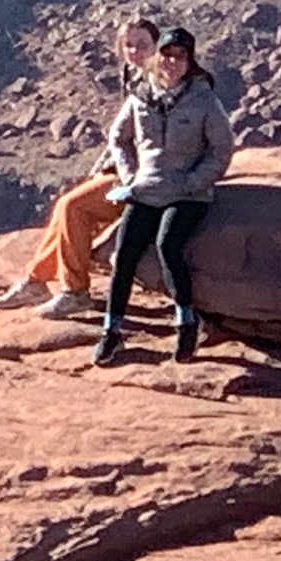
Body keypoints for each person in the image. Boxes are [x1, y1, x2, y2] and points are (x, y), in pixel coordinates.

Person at [0, 18, 161, 318]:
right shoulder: (133, 76)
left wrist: (129, 178)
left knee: (74, 208)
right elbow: (121, 138)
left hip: (144, 180)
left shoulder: (157, 86)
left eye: (143, 45)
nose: (135, 51)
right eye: (129, 45)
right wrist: (103, 170)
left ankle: (75, 292)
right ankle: (36, 281)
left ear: (157, 46)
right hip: (122, 170)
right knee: (64, 209)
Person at [98, 26, 232, 362]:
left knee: (167, 246)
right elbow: (118, 138)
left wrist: (195, 181)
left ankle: (186, 324)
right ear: (158, 56)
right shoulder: (141, 95)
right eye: (167, 55)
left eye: (180, 56)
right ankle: (111, 331)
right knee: (124, 253)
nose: (172, 62)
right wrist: (130, 177)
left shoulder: (204, 100)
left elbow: (222, 148)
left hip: (188, 194)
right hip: (146, 190)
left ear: (190, 61)